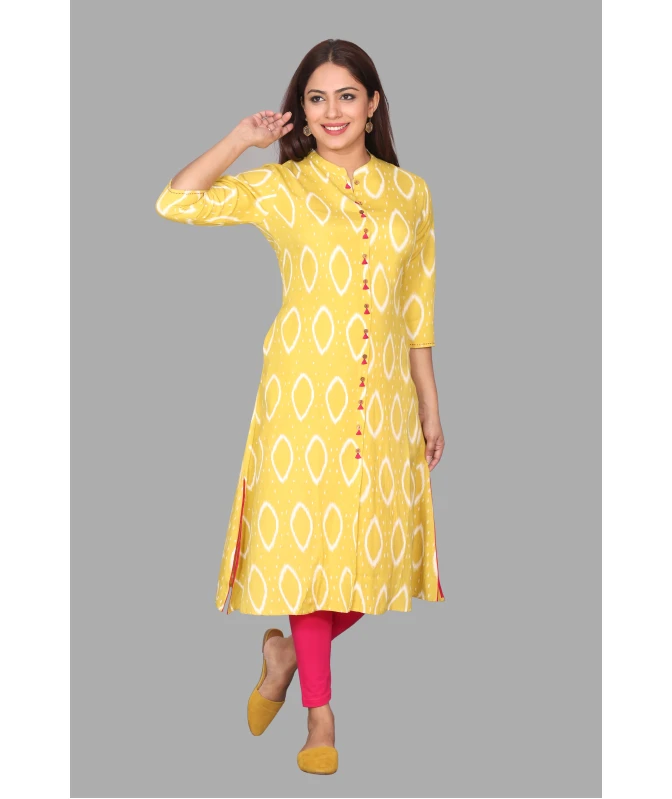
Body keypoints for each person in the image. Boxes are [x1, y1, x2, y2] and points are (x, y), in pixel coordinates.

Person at [155, 38, 445, 775]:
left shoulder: (412, 194)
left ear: (373, 104)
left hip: (384, 400)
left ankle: (283, 655)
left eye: (347, 95)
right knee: (310, 553)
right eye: (317, 98)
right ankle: (321, 716)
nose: (332, 111)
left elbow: (418, 311)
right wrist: (239, 140)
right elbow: (175, 200)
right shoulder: (282, 186)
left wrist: (430, 405)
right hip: (301, 397)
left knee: (378, 554)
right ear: (302, 111)